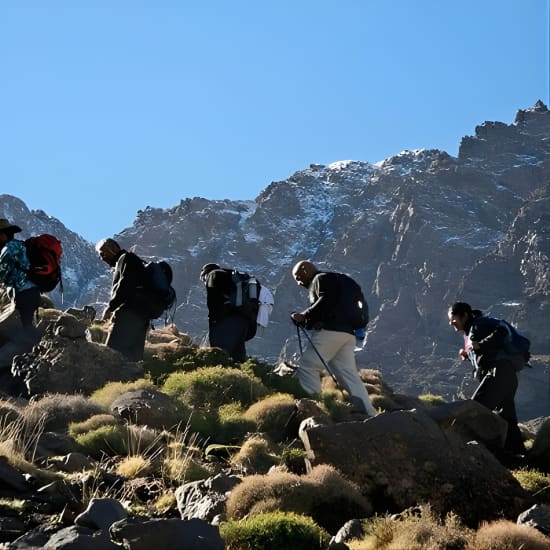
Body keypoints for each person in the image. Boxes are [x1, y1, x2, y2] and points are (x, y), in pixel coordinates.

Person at [290, 260, 377, 416]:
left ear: (306, 269)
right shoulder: (340, 281)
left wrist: (304, 316)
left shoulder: (319, 279)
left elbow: (326, 301)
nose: (298, 282)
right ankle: (369, 412)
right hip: (348, 334)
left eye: (298, 276)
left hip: (329, 332)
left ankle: (314, 410)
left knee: (309, 366)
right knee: (348, 374)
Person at [448, 301, 526, 456]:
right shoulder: (471, 331)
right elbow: (484, 353)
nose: (452, 324)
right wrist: (468, 355)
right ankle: (519, 456)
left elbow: (501, 332)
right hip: (507, 376)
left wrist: (480, 345)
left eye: (454, 320)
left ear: (464, 315)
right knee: (507, 417)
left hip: (498, 374)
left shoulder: (479, 324)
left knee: (473, 410)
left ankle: (455, 448)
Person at [96, 238, 149, 362]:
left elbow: (125, 285)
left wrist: (111, 307)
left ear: (112, 248)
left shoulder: (125, 259)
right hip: (141, 317)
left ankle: (113, 379)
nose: (102, 258)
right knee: (134, 358)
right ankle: (133, 379)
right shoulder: (133, 261)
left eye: (102, 253)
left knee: (112, 354)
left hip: (128, 316)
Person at [200, 263, 254, 362]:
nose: (204, 282)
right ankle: (241, 372)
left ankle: (221, 373)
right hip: (244, 320)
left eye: (203, 280)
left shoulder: (213, 275)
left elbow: (213, 302)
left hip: (227, 320)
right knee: (238, 353)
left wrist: (213, 321)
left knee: (219, 353)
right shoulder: (232, 278)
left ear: (205, 275)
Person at [0, 219, 40, 328]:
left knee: (25, 329)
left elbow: (1, 272)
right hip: (32, 292)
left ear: (3, 235)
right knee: (27, 325)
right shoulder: (19, 245)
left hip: (24, 293)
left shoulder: (9, 248)